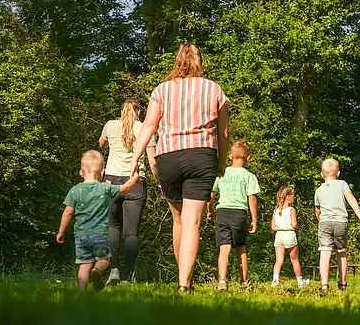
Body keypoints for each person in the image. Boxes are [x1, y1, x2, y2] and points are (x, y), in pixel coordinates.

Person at [129, 42, 230, 293]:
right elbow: (224, 133)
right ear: (199, 62)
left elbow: (149, 126)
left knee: (178, 219)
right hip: (201, 155)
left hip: (169, 157)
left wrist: (135, 158)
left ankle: (182, 278)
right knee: (192, 221)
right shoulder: (214, 89)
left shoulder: (161, 90)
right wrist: (221, 162)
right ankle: (185, 283)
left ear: (176, 61)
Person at [56, 150, 139, 292]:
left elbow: (68, 212)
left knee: (84, 265)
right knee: (104, 260)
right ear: (102, 172)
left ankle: (82, 293)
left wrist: (61, 231)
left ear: (81, 172)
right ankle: (97, 271)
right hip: (100, 233)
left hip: (81, 235)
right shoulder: (104, 188)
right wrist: (135, 177)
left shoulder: (75, 191)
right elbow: (125, 188)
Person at [98, 99, 157, 285]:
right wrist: (159, 181)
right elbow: (152, 161)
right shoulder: (145, 129)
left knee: (113, 226)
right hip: (135, 181)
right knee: (131, 233)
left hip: (111, 181)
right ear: (138, 112)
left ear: (121, 110)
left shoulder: (110, 125)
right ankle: (127, 276)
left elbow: (101, 144)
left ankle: (113, 270)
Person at [206, 140, 259, 291]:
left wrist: (210, 210)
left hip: (222, 212)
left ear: (230, 156)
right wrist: (254, 220)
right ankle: (244, 282)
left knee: (224, 248)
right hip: (239, 213)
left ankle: (222, 281)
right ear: (248, 158)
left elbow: (211, 194)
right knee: (241, 248)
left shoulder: (221, 173)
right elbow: (252, 199)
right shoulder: (249, 176)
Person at [315, 159, 360, 291]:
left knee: (325, 253)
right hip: (340, 223)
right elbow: (351, 200)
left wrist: (322, 220)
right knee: (341, 253)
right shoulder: (342, 184)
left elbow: (317, 212)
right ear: (338, 173)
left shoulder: (318, 190)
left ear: (322, 174)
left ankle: (324, 284)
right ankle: (343, 283)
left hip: (325, 222)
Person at [270, 186, 309, 288]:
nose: (294, 198)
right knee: (294, 260)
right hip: (289, 235)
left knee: (278, 260)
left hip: (279, 236)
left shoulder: (276, 210)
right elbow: (294, 224)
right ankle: (300, 282)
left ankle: (275, 280)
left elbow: (273, 227)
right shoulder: (291, 210)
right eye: (292, 196)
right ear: (288, 197)